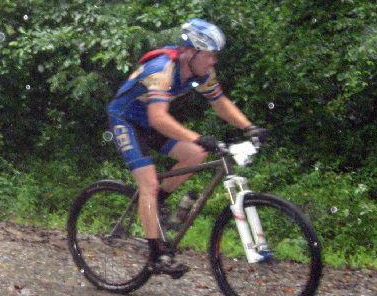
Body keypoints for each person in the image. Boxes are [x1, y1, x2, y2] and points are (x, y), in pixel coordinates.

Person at [106, 18, 267, 276]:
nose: (213, 61)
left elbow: (220, 102)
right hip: (126, 120)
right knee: (148, 183)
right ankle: (156, 255)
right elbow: (159, 118)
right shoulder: (161, 69)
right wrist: (197, 136)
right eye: (210, 55)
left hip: (149, 122)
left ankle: (158, 202)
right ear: (191, 52)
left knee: (197, 154)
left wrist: (249, 127)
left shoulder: (201, 72)